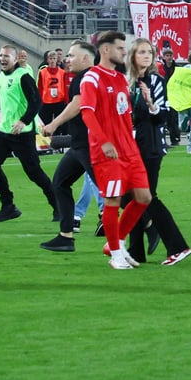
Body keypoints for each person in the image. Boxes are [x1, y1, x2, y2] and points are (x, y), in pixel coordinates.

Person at [79, 31, 153, 269]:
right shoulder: (92, 78)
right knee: (113, 200)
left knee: (144, 198)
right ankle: (116, 255)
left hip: (129, 150)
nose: (124, 52)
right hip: (107, 152)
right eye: (120, 48)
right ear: (105, 49)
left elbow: (125, 115)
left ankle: (116, 243)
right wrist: (104, 141)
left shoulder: (121, 79)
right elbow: (87, 113)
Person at [121, 38, 191, 266]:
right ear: (132, 56)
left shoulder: (156, 81)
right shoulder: (125, 81)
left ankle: (177, 246)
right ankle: (136, 251)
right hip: (129, 147)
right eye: (141, 52)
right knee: (132, 199)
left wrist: (151, 103)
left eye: (149, 53)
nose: (146, 56)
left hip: (150, 147)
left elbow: (163, 116)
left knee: (147, 198)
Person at [0, 45, 57, 222]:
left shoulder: (23, 76)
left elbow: (36, 102)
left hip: (22, 133)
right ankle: (8, 205)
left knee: (34, 172)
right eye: (1, 55)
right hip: (4, 131)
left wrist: (24, 120)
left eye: (6, 56)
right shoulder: (1, 76)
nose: (2, 59)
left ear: (15, 59)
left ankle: (58, 205)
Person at [39, 41, 97, 253]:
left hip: (89, 145)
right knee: (60, 183)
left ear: (86, 58)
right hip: (79, 144)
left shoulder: (85, 78)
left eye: (72, 55)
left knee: (113, 192)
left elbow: (77, 104)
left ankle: (149, 222)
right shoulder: (87, 76)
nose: (67, 59)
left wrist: (54, 124)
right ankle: (66, 236)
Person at [36, 50, 68, 129]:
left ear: (57, 59)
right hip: (46, 101)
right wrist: (39, 100)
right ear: (47, 60)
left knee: (60, 124)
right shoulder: (42, 72)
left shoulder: (62, 72)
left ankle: (59, 136)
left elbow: (65, 86)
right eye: (50, 58)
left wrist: (66, 100)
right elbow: (40, 87)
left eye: (54, 58)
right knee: (45, 123)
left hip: (59, 101)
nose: (52, 61)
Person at [158, 47, 180, 146]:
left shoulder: (177, 68)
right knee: (163, 118)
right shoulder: (161, 68)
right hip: (164, 95)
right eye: (167, 55)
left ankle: (175, 138)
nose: (169, 57)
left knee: (173, 118)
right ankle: (162, 140)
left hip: (174, 95)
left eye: (170, 55)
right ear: (163, 57)